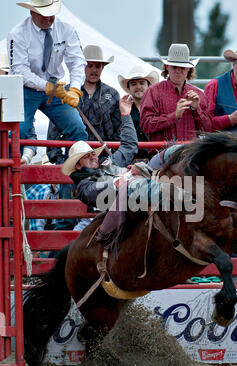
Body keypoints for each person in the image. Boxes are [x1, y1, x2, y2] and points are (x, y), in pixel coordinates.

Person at [7, 0, 88, 166]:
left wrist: (74, 89)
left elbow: (77, 61)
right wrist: (48, 87)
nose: (48, 17)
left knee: (77, 129)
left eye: (51, 13)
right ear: (32, 13)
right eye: (43, 14)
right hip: (25, 90)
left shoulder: (66, 29)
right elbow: (20, 70)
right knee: (16, 133)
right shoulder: (18, 34)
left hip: (56, 89)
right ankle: (7, 185)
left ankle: (76, 182)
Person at [62, 95, 139, 231]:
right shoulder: (83, 185)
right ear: (78, 166)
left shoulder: (108, 164)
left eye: (93, 154)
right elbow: (95, 190)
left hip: (118, 218)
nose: (93, 157)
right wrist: (125, 177)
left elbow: (129, 146)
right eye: (86, 156)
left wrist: (125, 115)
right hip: (94, 223)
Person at [47, 44, 122, 164]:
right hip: (73, 159)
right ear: (82, 67)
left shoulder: (112, 94)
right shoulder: (65, 93)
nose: (94, 70)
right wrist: (60, 161)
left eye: (98, 66)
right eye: (90, 65)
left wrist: (113, 160)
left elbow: (119, 132)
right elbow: (53, 130)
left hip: (103, 159)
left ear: (102, 68)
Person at [140, 43, 212, 146]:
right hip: (163, 153)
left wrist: (196, 109)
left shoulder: (199, 95)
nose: (178, 71)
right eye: (174, 67)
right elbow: (146, 125)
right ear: (167, 67)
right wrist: (175, 115)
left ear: (188, 69)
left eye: (182, 68)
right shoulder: (153, 91)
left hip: (188, 154)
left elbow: (208, 129)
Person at [118, 65, 159, 160]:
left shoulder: (158, 108)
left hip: (154, 158)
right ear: (128, 88)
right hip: (130, 159)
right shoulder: (121, 109)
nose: (138, 87)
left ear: (149, 86)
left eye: (141, 83)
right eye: (133, 84)